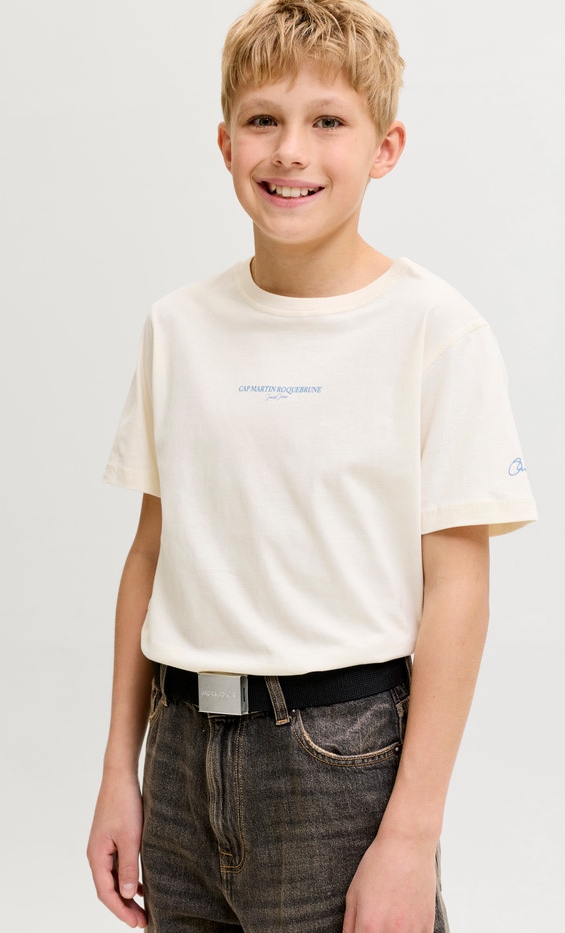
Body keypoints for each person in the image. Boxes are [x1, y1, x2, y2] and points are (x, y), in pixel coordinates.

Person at [87, 1, 537, 929]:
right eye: (264, 119)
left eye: (328, 121)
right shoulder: (178, 328)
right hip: (179, 755)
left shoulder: (435, 332)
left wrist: (411, 835)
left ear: (385, 148)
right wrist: (118, 772)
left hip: (339, 764)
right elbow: (151, 553)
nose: (291, 151)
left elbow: (458, 590)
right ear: (225, 144)